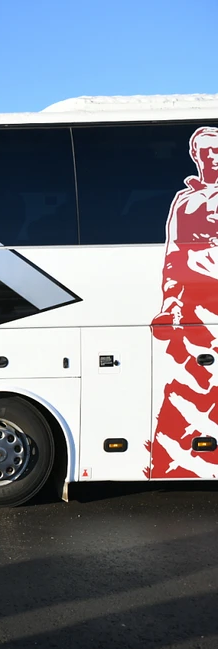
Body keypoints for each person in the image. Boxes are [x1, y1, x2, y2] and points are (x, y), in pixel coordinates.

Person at [151, 126, 218, 478]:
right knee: (186, 386)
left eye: (217, 151)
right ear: (196, 157)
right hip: (194, 310)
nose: (213, 158)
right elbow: (173, 258)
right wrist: (170, 307)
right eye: (206, 152)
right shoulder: (184, 201)